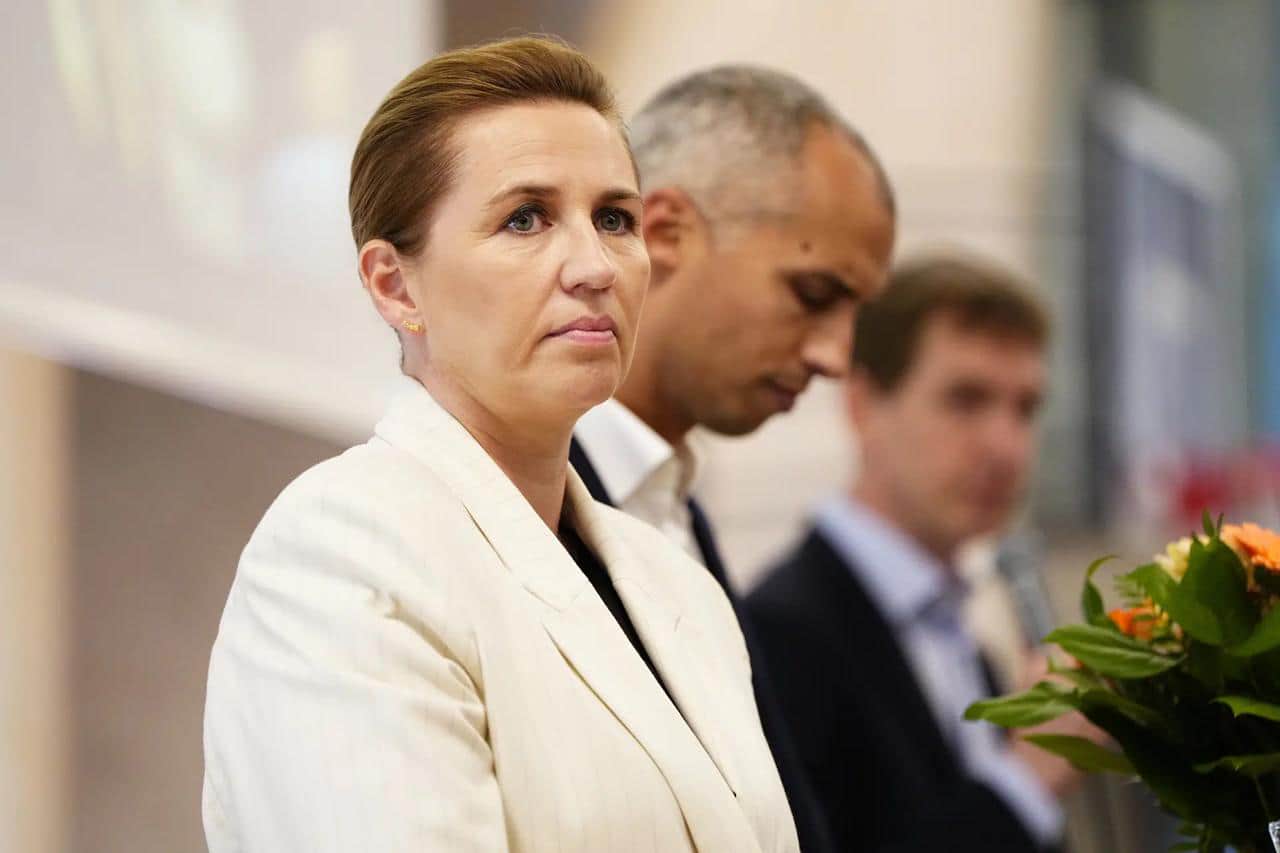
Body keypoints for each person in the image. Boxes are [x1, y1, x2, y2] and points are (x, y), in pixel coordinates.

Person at [202, 37, 798, 853]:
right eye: (526, 218)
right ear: (394, 285)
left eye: (614, 218)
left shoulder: (680, 585)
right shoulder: (343, 553)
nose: (594, 266)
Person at [570, 66, 895, 852]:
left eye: (856, 314)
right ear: (664, 232)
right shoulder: (504, 502)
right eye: (813, 293)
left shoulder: (679, 513)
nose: (835, 355)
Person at [745, 257, 1098, 853]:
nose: (1006, 446)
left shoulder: (960, 628)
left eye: (1026, 408)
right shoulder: (779, 633)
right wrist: (1026, 779)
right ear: (862, 405)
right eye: (966, 399)